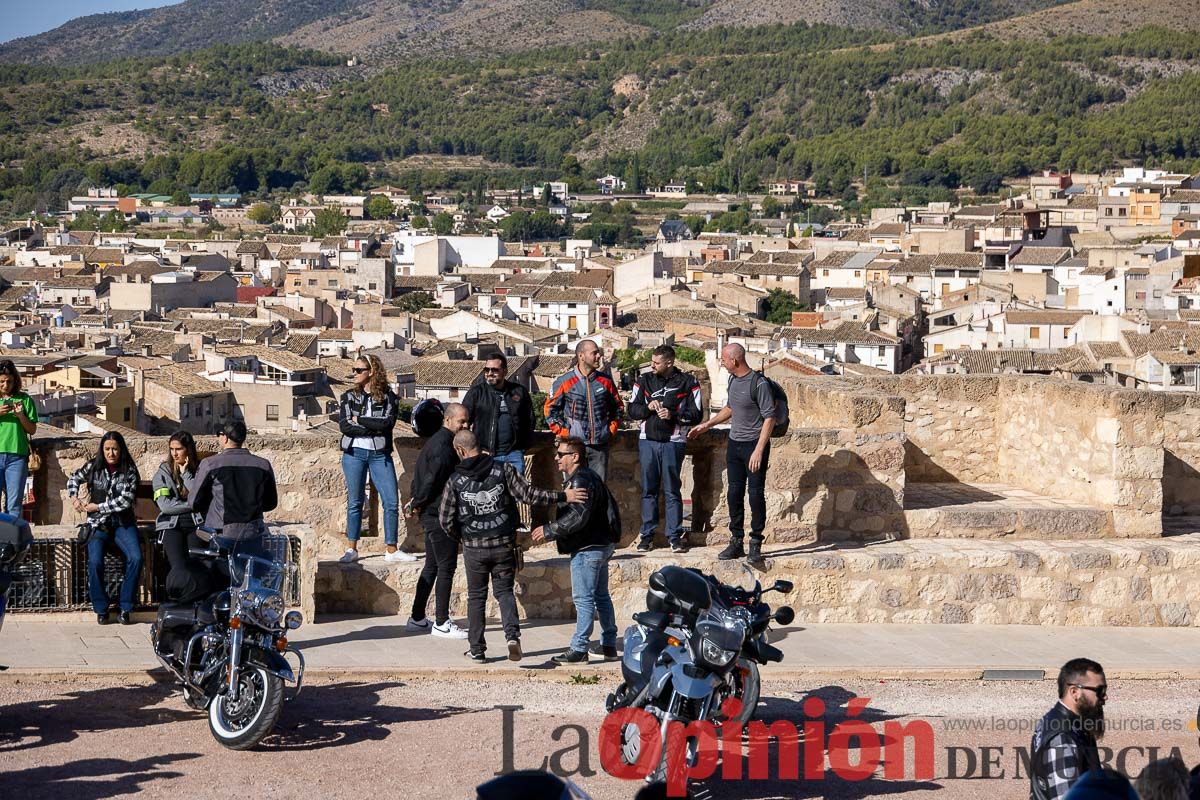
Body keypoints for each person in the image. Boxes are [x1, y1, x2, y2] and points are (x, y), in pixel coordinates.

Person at [439, 430, 587, 663]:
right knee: (505, 592)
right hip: (503, 544)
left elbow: (445, 519)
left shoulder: (455, 481)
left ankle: (477, 649)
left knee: (476, 598)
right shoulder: (503, 470)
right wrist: (563, 496)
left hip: (474, 548)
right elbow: (528, 495)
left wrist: (463, 537)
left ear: (460, 451)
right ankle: (512, 637)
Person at [532, 436, 619, 665]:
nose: (556, 458)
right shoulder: (588, 477)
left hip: (588, 547)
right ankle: (608, 645)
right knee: (600, 596)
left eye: (561, 454)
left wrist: (549, 530)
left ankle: (579, 649)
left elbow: (578, 516)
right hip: (600, 544)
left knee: (584, 599)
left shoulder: (580, 479)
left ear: (575, 456)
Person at [688, 343, 775, 565]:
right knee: (734, 494)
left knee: (755, 495)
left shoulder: (759, 383)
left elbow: (769, 418)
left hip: (754, 446)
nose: (722, 363)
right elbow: (731, 407)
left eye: (724, 360)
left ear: (735, 360)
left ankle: (755, 542)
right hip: (735, 444)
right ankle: (736, 540)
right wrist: (707, 425)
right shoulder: (733, 380)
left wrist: (759, 450)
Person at [627, 345, 703, 554]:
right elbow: (631, 410)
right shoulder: (643, 381)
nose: (652, 366)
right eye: (651, 362)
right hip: (648, 440)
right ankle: (647, 536)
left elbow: (696, 414)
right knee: (649, 490)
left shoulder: (688, 382)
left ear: (669, 362)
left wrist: (673, 415)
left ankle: (674, 536)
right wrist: (648, 408)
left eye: (656, 363)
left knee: (672, 490)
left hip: (674, 441)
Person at [338, 354, 413, 564]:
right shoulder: (348, 396)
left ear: (371, 372)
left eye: (358, 370)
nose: (354, 374)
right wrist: (372, 426)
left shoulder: (388, 397)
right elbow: (345, 426)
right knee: (355, 502)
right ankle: (352, 548)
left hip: (379, 454)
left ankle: (391, 548)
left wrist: (360, 420)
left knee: (390, 500)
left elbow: (387, 424)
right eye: (353, 370)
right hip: (354, 454)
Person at [406, 402, 470, 639]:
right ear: (448, 420)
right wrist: (417, 502)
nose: (465, 425)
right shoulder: (444, 448)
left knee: (432, 566)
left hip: (430, 514)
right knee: (446, 567)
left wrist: (416, 502)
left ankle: (417, 617)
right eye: (461, 421)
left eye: (466, 421)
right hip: (439, 515)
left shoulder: (437, 442)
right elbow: (431, 481)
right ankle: (442, 622)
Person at [68, 431, 141, 625]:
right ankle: (101, 608)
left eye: (115, 449)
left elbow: (125, 501)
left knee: (136, 558)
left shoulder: (130, 471)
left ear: (121, 449)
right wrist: (74, 497)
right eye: (107, 449)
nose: (111, 453)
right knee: (95, 563)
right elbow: (74, 478)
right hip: (98, 524)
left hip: (122, 523)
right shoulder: (94, 466)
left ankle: (125, 606)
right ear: (102, 449)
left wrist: (98, 507)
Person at [190, 419, 277, 562]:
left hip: (222, 534)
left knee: (221, 578)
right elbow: (271, 503)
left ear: (224, 438)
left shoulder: (211, 464)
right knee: (250, 577)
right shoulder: (263, 465)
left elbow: (194, 502)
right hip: (253, 534)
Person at [544, 340, 623, 480]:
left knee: (598, 489)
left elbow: (618, 407)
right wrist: (566, 433)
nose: (599, 356)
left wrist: (610, 430)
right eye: (594, 353)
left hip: (599, 447)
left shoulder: (606, 381)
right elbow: (550, 410)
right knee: (574, 489)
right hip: (573, 448)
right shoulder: (564, 382)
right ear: (581, 356)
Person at [1030, 657, 1106, 800]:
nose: (1105, 697)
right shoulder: (1063, 739)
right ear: (1074, 692)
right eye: (1099, 691)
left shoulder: (1058, 720)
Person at [153, 431, 208, 602]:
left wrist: (186, 475)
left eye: (179, 449)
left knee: (196, 564)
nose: (175, 453)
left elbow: (200, 496)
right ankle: (178, 602)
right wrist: (191, 505)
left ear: (188, 450)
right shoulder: (163, 472)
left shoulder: (200, 469)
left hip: (196, 523)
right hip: (171, 524)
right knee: (178, 565)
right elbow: (165, 506)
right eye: (171, 449)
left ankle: (196, 601)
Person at [464, 352, 534, 472]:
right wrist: (476, 450)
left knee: (516, 490)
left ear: (505, 371)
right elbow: (463, 422)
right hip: (485, 455)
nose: (490, 373)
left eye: (495, 370)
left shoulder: (519, 392)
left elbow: (530, 420)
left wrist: (522, 447)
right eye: (487, 369)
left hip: (514, 455)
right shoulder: (476, 393)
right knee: (488, 490)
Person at [0, 359, 38, 517]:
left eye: (9, 381)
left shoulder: (25, 400)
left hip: (17, 456)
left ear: (15, 380)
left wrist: (21, 416)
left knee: (14, 505)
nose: (5, 385)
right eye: (1, 381)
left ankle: (11, 540)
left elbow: (32, 430)